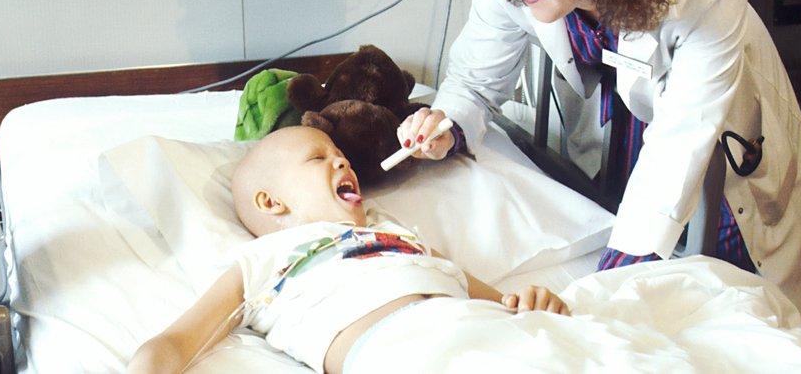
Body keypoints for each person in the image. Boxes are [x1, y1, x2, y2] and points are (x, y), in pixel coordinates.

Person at [397, 0, 801, 337]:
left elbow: (681, 141)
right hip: (633, 128)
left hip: (722, 128)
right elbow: (473, 83)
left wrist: (603, 292)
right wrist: (445, 124)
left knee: (741, 309)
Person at [127, 126, 570, 374]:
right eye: (318, 158)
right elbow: (175, 342)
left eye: (341, 155)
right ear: (270, 202)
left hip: (480, 329)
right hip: (398, 353)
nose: (342, 161)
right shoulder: (268, 259)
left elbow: (495, 299)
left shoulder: (397, 234)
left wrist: (532, 304)